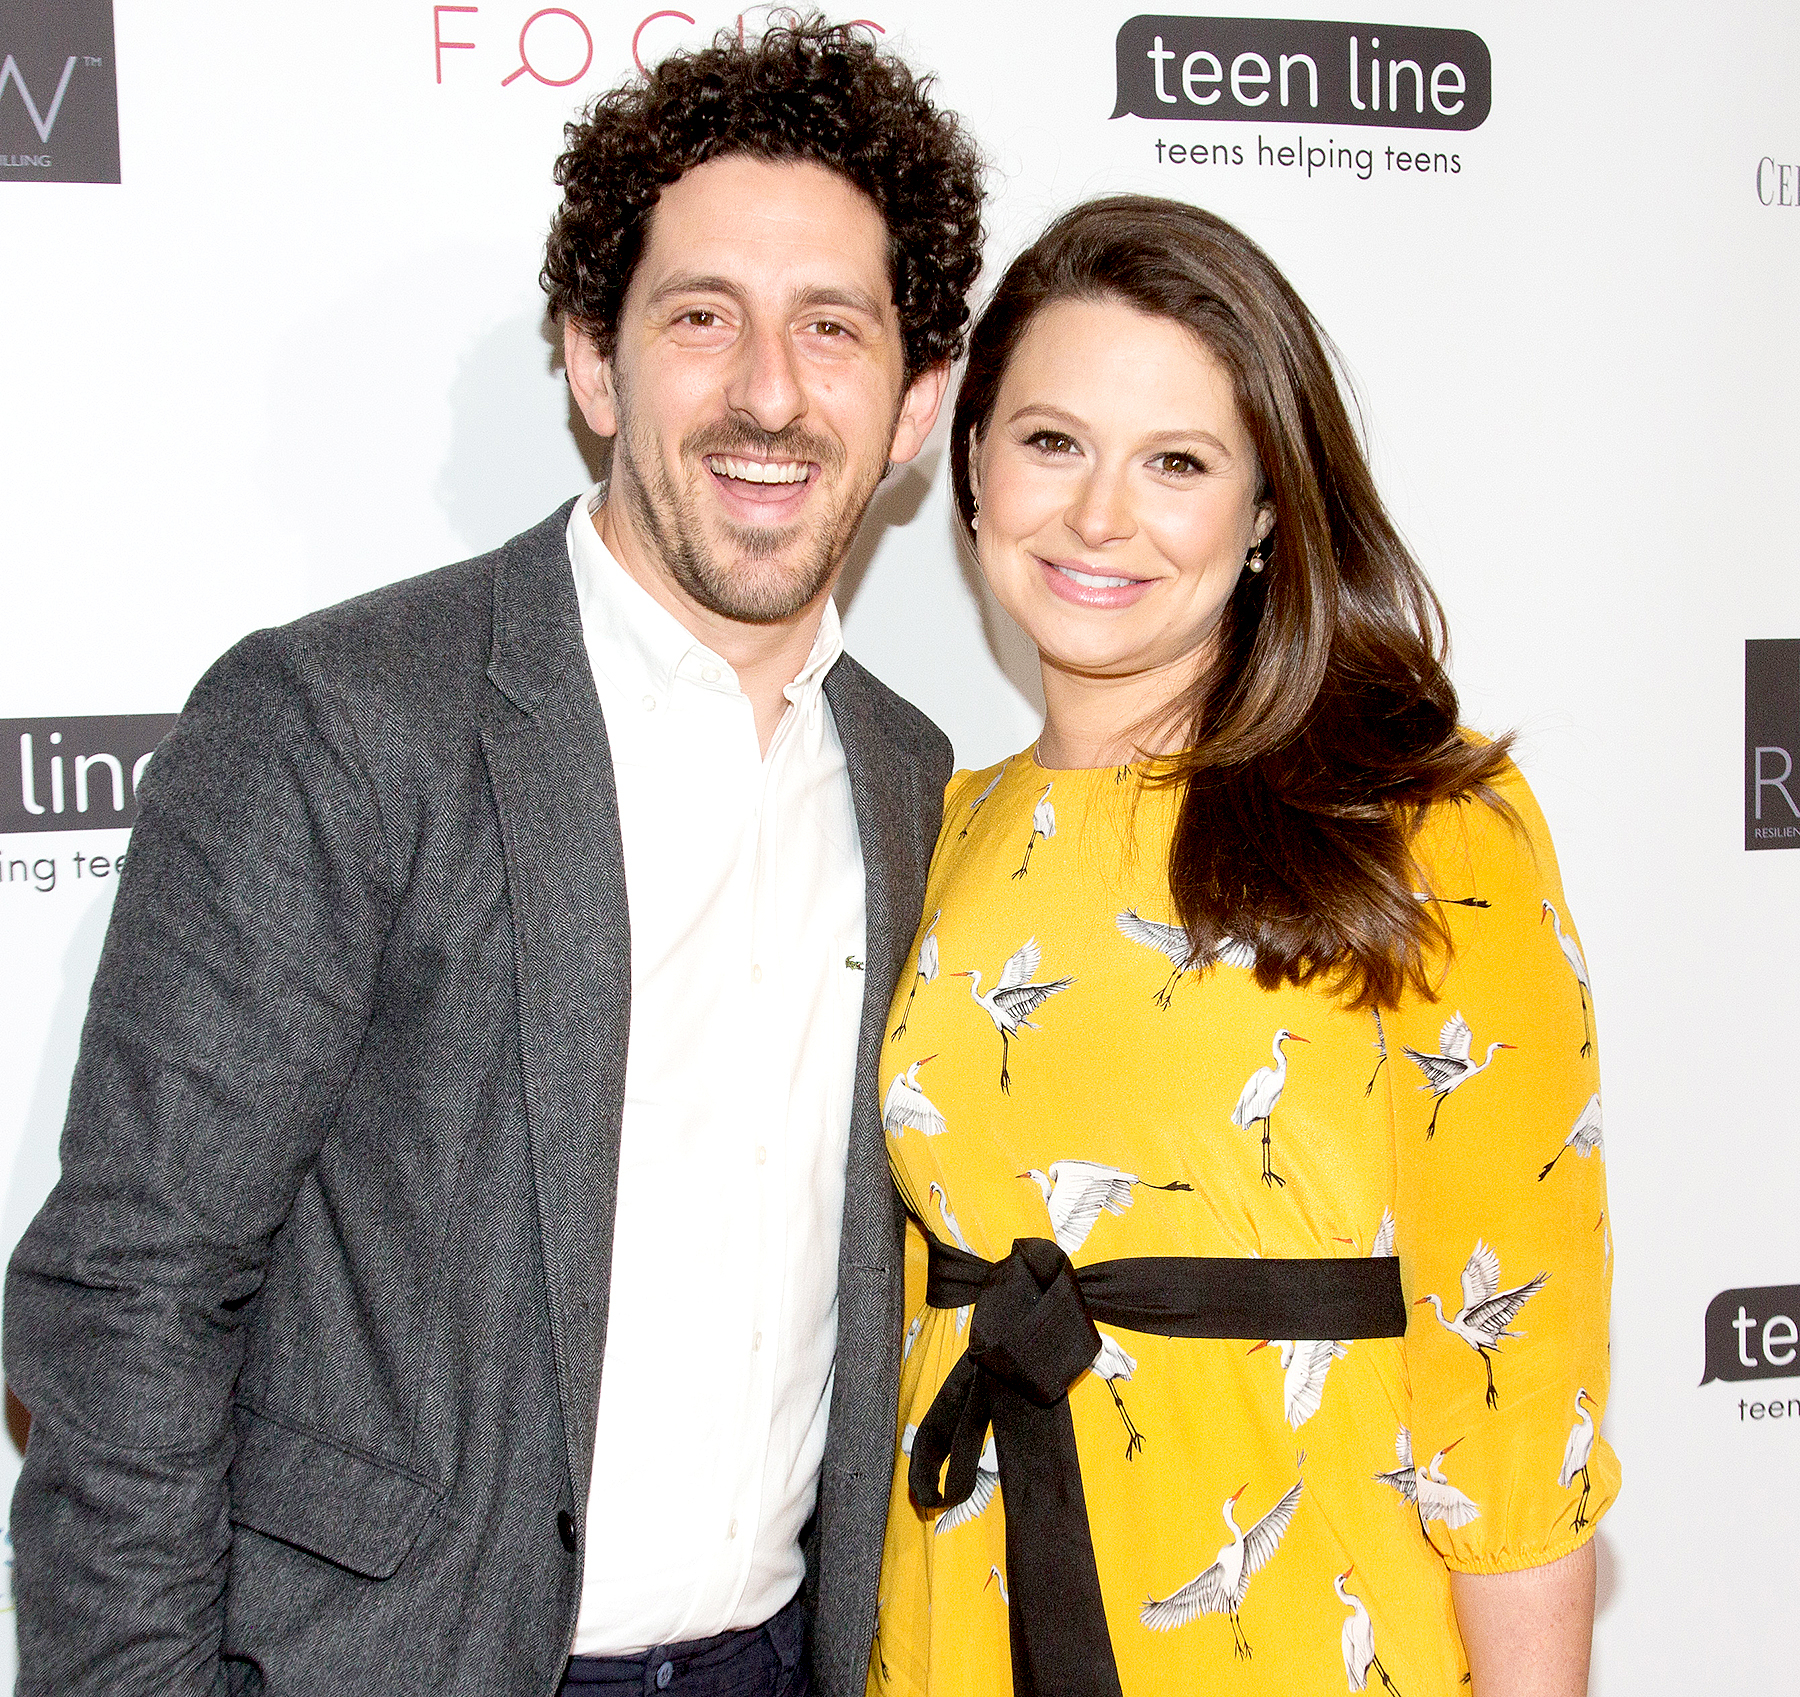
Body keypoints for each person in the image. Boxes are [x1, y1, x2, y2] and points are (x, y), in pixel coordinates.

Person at [4, 21, 984, 1697]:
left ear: (916, 403)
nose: (769, 391)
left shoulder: (905, 773)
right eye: (701, 318)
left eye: (833, 328)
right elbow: (130, 1294)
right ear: (594, 365)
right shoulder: (337, 718)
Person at [871, 197, 1617, 1697]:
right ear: (973, 462)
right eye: (1053, 442)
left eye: (1179, 463)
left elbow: (1515, 1395)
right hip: (960, 1624)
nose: (1100, 516)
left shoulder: (1423, 828)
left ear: (1269, 507)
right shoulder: (931, 832)